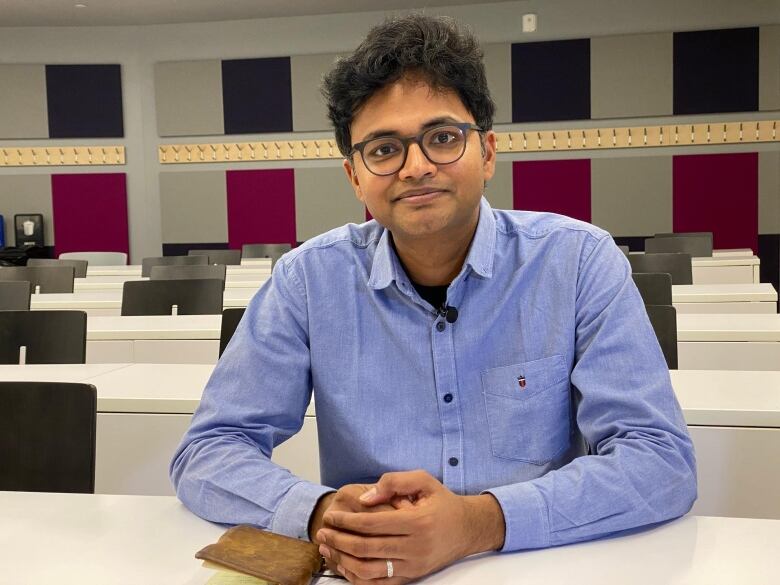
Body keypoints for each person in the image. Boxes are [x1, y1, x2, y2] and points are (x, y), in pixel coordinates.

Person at [171, 13, 697, 584]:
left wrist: (478, 522)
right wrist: (324, 514)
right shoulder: (306, 281)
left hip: (541, 565)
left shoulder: (578, 263)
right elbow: (209, 451)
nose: (416, 167)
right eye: (383, 149)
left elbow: (660, 461)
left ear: (488, 152)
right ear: (355, 176)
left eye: (442, 138)